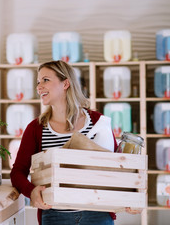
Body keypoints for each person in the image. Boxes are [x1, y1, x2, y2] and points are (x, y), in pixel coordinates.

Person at [10, 60, 140, 225]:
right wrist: (32, 191)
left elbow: (119, 168)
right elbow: (17, 172)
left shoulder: (97, 121)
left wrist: (133, 197)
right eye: (38, 82)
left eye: (45, 80)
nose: (39, 87)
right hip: (54, 216)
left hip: (97, 214)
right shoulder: (35, 128)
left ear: (65, 83)